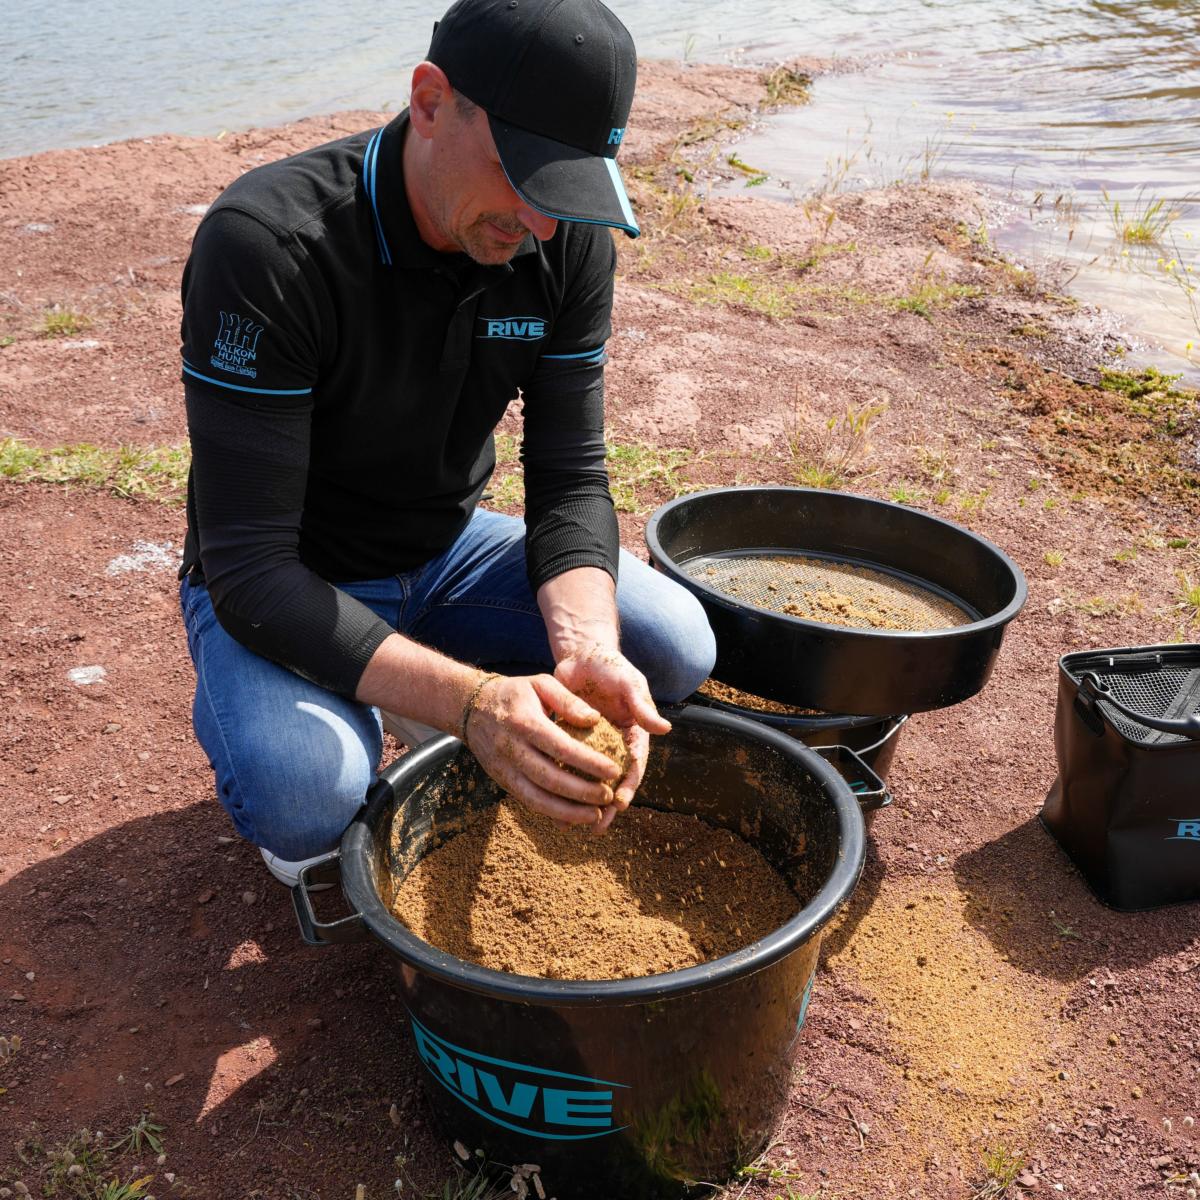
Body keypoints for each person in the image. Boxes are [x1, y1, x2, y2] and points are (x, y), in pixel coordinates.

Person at [177, 0, 717, 887]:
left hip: (446, 550)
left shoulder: (563, 236)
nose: (542, 225)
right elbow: (250, 570)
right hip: (292, 575)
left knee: (673, 644)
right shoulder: (269, 246)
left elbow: (570, 478)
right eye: (524, 177)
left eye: (567, 189)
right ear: (430, 101)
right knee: (310, 795)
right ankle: (399, 693)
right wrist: (473, 703)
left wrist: (586, 645)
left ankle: (412, 684)